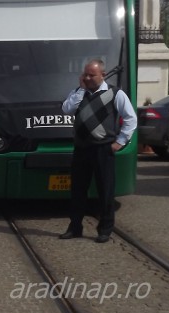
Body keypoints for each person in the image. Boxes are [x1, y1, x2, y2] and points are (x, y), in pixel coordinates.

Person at [59, 59, 137, 243]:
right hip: (81, 149)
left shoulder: (115, 94)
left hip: (103, 149)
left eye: (91, 75)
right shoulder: (79, 93)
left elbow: (130, 118)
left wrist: (120, 142)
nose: (87, 78)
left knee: (106, 190)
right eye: (85, 74)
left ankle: (105, 229)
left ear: (102, 75)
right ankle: (75, 227)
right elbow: (66, 109)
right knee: (77, 190)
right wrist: (80, 90)